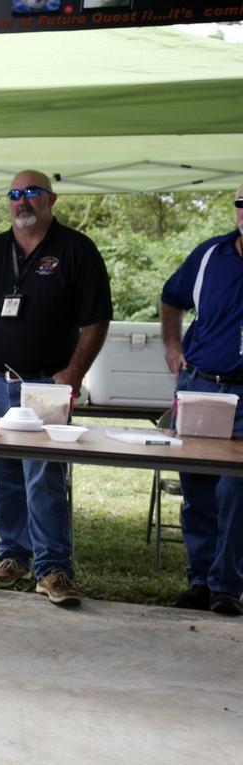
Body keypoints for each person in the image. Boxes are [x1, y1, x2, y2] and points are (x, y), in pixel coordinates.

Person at [0, 169, 111, 608]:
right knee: (3, 477)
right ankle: (13, 557)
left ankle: (53, 568)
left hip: (47, 385)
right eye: (14, 194)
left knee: (44, 476)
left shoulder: (77, 250)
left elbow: (96, 320)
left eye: (31, 193)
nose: (22, 201)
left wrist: (74, 374)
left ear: (51, 200)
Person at [158, 185, 243, 617]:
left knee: (236, 488)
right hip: (200, 386)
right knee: (197, 486)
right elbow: (171, 298)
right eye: (242, 203)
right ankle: (199, 580)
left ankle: (226, 586)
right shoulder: (211, 254)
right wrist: (172, 344)